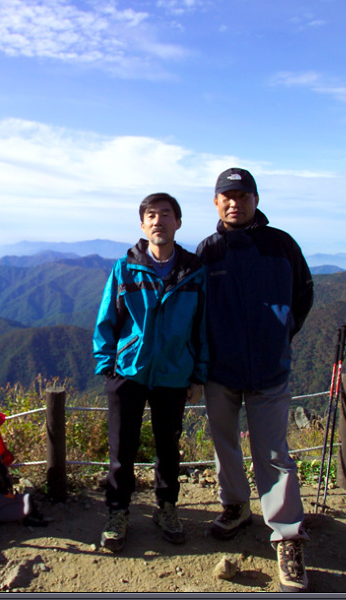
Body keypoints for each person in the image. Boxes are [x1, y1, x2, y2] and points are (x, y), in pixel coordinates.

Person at [196, 168, 314, 592]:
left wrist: (282, 334)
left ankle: (286, 536)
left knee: (273, 452)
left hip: (269, 369)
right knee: (223, 444)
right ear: (215, 203)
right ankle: (236, 506)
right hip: (220, 371)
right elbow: (195, 309)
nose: (235, 202)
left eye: (242, 195)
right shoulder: (208, 251)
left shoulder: (281, 245)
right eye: (226, 196)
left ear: (256, 199)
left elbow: (304, 292)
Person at [92, 192, 208, 553]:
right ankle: (117, 512)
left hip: (174, 373)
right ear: (143, 225)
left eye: (166, 214)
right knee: (121, 450)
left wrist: (199, 375)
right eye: (151, 215)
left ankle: (167, 507)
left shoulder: (194, 272)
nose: (158, 221)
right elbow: (107, 319)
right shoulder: (125, 268)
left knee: (168, 448)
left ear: (178, 222)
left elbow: (202, 327)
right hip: (128, 371)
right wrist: (106, 365)